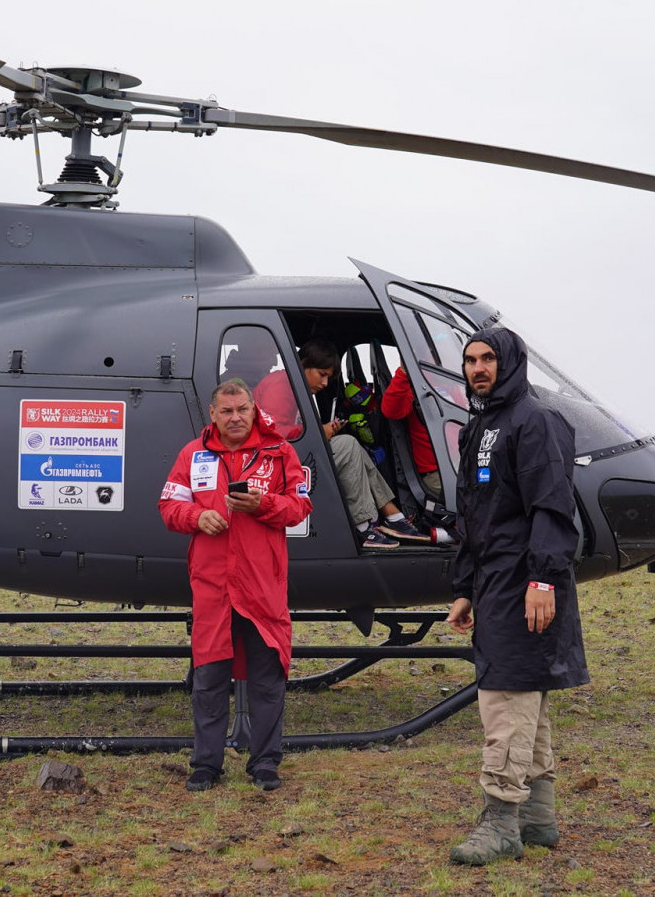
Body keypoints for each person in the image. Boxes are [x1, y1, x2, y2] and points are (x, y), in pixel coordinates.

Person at [446, 327, 589, 867]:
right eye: (470, 360)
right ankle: (537, 818)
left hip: (528, 580)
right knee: (525, 692)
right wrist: (464, 588)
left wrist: (543, 579)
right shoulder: (480, 425)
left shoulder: (536, 422)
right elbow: (475, 515)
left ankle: (502, 821)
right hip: (494, 582)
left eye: (488, 359)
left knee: (505, 698)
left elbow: (552, 507)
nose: (478, 368)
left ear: (512, 363)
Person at [159, 379, 312, 793]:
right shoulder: (193, 454)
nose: (235, 418)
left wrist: (263, 505)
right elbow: (169, 506)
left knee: (268, 678)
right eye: (226, 411)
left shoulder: (280, 452)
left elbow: (300, 507)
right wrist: (196, 518)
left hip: (262, 588)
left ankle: (264, 763)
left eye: (242, 409)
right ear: (213, 414)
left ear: (253, 408)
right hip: (213, 589)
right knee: (208, 679)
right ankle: (206, 765)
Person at [254, 338, 430, 550]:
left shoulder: (291, 384)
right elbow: (273, 435)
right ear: (303, 364)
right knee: (346, 444)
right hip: (274, 463)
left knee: (354, 447)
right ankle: (363, 525)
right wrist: (319, 433)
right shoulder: (281, 385)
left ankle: (394, 516)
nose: (325, 383)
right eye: (322, 375)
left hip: (290, 455)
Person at [380, 363, 443, 502]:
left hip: (460, 464)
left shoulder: (448, 381)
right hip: (438, 473)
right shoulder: (414, 387)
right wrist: (403, 371)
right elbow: (390, 410)